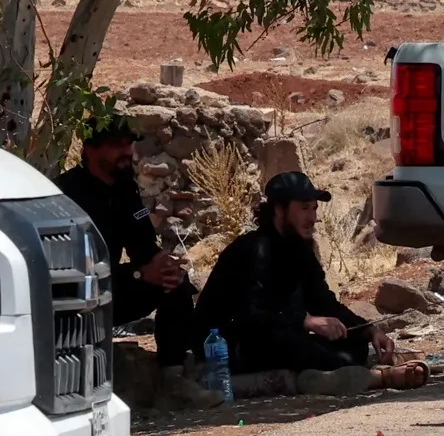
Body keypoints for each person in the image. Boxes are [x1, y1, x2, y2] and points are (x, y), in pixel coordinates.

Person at [197, 170, 390, 391]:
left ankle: (319, 372)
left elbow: (323, 302)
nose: (312, 218)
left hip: (281, 333)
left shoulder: (300, 248)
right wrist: (305, 322)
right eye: (304, 208)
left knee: (354, 345)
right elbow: (250, 315)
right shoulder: (251, 250)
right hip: (232, 343)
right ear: (280, 209)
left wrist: (369, 330)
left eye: (314, 208)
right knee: (296, 346)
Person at [56, 117, 201, 371]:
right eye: (116, 145)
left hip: (114, 287)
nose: (126, 152)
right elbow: (69, 269)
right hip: (74, 296)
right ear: (90, 150)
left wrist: (162, 265)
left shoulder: (125, 190)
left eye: (128, 144)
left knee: (175, 283)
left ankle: (173, 375)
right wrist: (137, 273)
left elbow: (143, 248)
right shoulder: (66, 194)